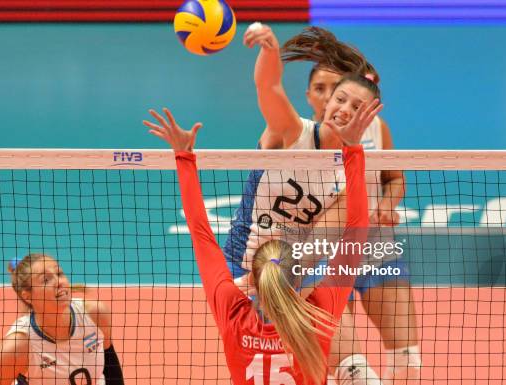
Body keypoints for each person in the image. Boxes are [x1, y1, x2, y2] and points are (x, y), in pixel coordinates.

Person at [142, 73, 380, 385]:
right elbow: (358, 229)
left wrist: (184, 156)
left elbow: (200, 230)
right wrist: (353, 148)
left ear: (251, 277)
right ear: (299, 273)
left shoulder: (232, 311)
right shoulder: (317, 315)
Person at [231, 25, 421, 385]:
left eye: (356, 105)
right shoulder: (292, 131)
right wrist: (269, 51)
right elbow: (268, 88)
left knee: (356, 369)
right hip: (248, 257)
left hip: (296, 260)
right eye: (338, 98)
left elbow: (319, 243)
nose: (344, 109)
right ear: (323, 99)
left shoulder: (349, 179)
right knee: (262, 360)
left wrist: (282, 275)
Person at [0, 253, 125, 385]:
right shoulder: (15, 349)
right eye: (46, 280)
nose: (59, 282)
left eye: (59, 274)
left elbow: (111, 368)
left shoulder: (95, 314)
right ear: (27, 296)